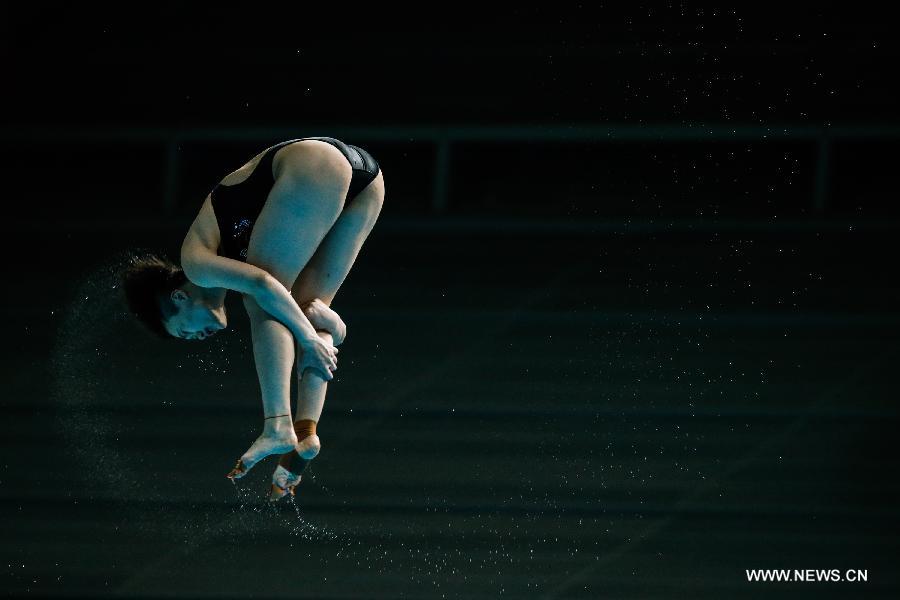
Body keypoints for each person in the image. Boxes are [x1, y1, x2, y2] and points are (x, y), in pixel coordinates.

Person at [120, 137, 384, 500]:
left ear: (179, 297)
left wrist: (309, 338)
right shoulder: (221, 267)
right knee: (306, 308)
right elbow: (300, 312)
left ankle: (277, 426)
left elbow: (263, 283)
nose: (198, 338)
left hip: (315, 161)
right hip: (367, 182)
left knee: (266, 303)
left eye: (185, 331)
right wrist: (319, 331)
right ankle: (305, 433)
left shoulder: (196, 264)